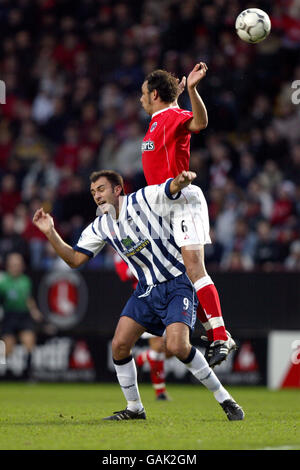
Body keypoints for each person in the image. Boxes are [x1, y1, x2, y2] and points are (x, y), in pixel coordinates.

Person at [32, 169, 244, 421]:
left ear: (117, 189)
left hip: (177, 282)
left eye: (101, 189)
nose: (96, 196)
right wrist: (50, 232)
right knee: (120, 345)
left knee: (177, 346)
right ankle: (135, 408)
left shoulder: (142, 199)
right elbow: (75, 259)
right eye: (93, 193)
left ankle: (225, 399)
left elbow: (167, 189)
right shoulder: (100, 226)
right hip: (147, 290)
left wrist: (179, 181)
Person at [140, 63, 236, 367]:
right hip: (163, 206)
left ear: (154, 94)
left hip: (183, 199)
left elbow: (199, 123)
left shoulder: (172, 116)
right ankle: (217, 332)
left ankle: (220, 336)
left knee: (194, 267)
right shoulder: (161, 119)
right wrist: (179, 97)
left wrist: (192, 90)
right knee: (182, 274)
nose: (140, 99)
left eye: (143, 93)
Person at [113, 252, 171, 401]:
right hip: (146, 300)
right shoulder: (120, 251)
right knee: (158, 347)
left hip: (167, 295)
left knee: (171, 349)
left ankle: (143, 357)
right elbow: (124, 274)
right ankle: (160, 392)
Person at [0, 252, 43, 379]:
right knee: (8, 347)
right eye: (13, 265)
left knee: (29, 342)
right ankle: (7, 374)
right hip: (9, 316)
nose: (16, 267)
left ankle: (27, 373)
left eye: (18, 264)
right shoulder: (3, 281)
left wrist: (34, 311)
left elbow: (28, 298)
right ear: (8, 266)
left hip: (23, 315)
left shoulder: (25, 281)